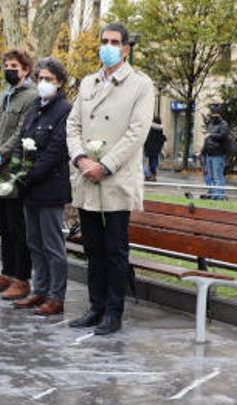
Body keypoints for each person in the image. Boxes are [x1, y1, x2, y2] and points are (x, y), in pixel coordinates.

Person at [66, 23, 154, 335]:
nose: (108, 46)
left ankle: (113, 312)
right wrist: (80, 159)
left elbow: (136, 134)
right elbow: (73, 124)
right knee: (92, 247)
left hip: (115, 179)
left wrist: (104, 165)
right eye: (104, 41)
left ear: (126, 48)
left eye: (115, 42)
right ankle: (95, 306)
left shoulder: (141, 85)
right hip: (87, 177)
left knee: (115, 249)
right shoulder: (88, 82)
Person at [11, 57, 72, 316]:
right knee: (34, 242)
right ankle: (39, 289)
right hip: (30, 188)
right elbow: (21, 138)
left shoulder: (64, 110)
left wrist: (32, 174)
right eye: (41, 78)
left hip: (50, 187)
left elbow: (57, 148)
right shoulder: (35, 106)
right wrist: (16, 168)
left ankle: (56, 296)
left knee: (52, 244)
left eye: (49, 79)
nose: (44, 83)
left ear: (59, 83)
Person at [0, 48, 39, 300]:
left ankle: (21, 278)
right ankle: (6, 272)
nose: (8, 69)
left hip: (14, 171)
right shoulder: (2, 95)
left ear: (26, 69)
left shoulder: (32, 96)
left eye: (14, 65)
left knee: (18, 228)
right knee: (3, 226)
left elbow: (21, 133)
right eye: (5, 65)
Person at [201, 105, 230, 200]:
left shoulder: (223, 124)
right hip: (209, 154)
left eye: (215, 113)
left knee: (217, 175)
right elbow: (207, 140)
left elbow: (223, 135)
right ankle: (213, 194)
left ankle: (219, 195)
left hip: (218, 154)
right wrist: (202, 152)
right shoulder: (211, 125)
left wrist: (211, 135)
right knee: (211, 176)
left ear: (219, 114)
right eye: (212, 113)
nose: (213, 115)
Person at [143, 116, 165, 182]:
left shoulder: (150, 128)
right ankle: (152, 175)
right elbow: (161, 139)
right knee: (153, 162)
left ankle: (149, 175)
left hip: (149, 148)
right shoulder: (160, 129)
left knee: (148, 162)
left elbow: (148, 138)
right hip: (156, 149)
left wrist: (145, 146)